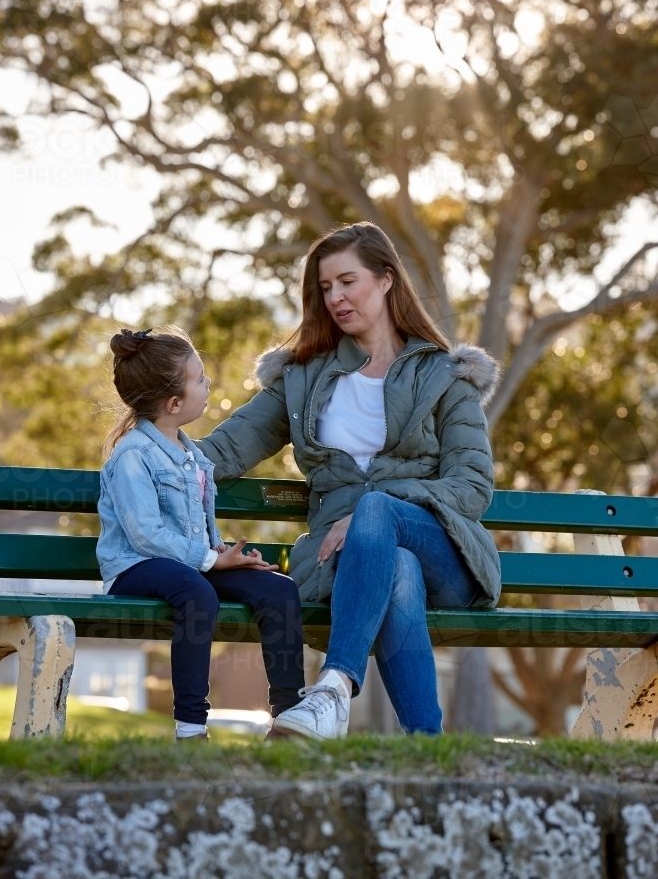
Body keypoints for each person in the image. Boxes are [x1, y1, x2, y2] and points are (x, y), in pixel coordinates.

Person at [197, 223, 501, 740]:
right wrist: (150, 454)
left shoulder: (445, 375)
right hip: (343, 563)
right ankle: (425, 746)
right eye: (324, 288)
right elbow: (223, 450)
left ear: (386, 280)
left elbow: (473, 485)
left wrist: (370, 509)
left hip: (446, 554)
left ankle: (334, 688)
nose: (335, 297)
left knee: (380, 513)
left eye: (347, 281)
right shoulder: (302, 378)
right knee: (395, 566)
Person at [96, 326, 305, 741]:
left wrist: (226, 554)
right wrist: (210, 561)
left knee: (278, 590)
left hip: (189, 565)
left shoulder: (193, 456)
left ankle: (290, 720)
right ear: (174, 403)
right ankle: (191, 728)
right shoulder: (132, 456)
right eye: (200, 379)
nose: (208, 385)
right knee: (197, 592)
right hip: (136, 567)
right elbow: (146, 535)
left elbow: (196, 526)